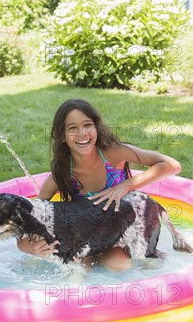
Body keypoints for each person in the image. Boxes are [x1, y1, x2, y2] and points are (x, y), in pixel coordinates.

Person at [18, 98, 182, 270]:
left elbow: (172, 165)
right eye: (72, 128)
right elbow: (27, 219)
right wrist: (30, 248)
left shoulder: (113, 152)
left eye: (87, 125)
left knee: (118, 267)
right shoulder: (61, 174)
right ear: (62, 136)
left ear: (96, 127)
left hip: (121, 233)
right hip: (85, 240)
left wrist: (125, 185)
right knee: (79, 270)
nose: (82, 133)